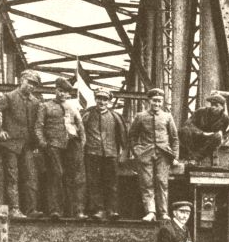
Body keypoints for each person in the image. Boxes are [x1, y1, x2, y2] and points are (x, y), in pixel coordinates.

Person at [0, 70, 43, 218]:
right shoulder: (9, 97)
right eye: (29, 82)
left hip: (27, 145)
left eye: (34, 84)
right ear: (21, 81)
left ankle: (31, 209)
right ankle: (14, 209)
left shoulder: (35, 102)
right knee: (12, 176)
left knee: (31, 176)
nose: (31, 86)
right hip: (10, 145)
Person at [35, 77, 87, 220]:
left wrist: (82, 142)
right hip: (54, 145)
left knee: (76, 177)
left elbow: (80, 126)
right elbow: (38, 127)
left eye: (66, 92)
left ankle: (77, 210)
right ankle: (55, 210)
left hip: (72, 144)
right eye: (60, 91)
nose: (62, 94)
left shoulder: (73, 107)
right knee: (56, 175)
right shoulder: (45, 106)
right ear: (55, 90)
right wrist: (43, 143)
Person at [128, 88, 179, 221]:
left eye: (159, 101)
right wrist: (137, 151)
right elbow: (132, 136)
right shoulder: (140, 116)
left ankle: (163, 212)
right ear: (149, 101)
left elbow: (174, 138)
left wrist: (175, 156)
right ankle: (151, 212)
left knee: (162, 182)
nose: (157, 104)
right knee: (147, 182)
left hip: (163, 154)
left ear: (162, 102)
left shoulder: (167, 117)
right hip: (146, 154)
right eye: (154, 101)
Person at [82, 89, 128, 221]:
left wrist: (124, 154)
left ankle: (112, 210)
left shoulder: (115, 116)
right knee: (94, 182)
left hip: (110, 154)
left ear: (109, 101)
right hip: (92, 153)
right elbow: (81, 133)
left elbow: (123, 136)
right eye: (99, 98)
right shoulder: (87, 115)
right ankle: (99, 210)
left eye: (104, 99)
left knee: (111, 183)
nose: (101, 102)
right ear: (95, 99)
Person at [179, 93, 229, 163]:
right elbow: (188, 124)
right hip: (195, 138)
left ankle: (196, 158)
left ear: (222, 107)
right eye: (212, 104)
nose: (213, 107)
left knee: (218, 137)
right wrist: (201, 133)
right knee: (184, 130)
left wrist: (220, 134)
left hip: (208, 141)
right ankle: (187, 156)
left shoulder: (225, 119)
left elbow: (222, 132)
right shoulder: (201, 111)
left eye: (216, 105)